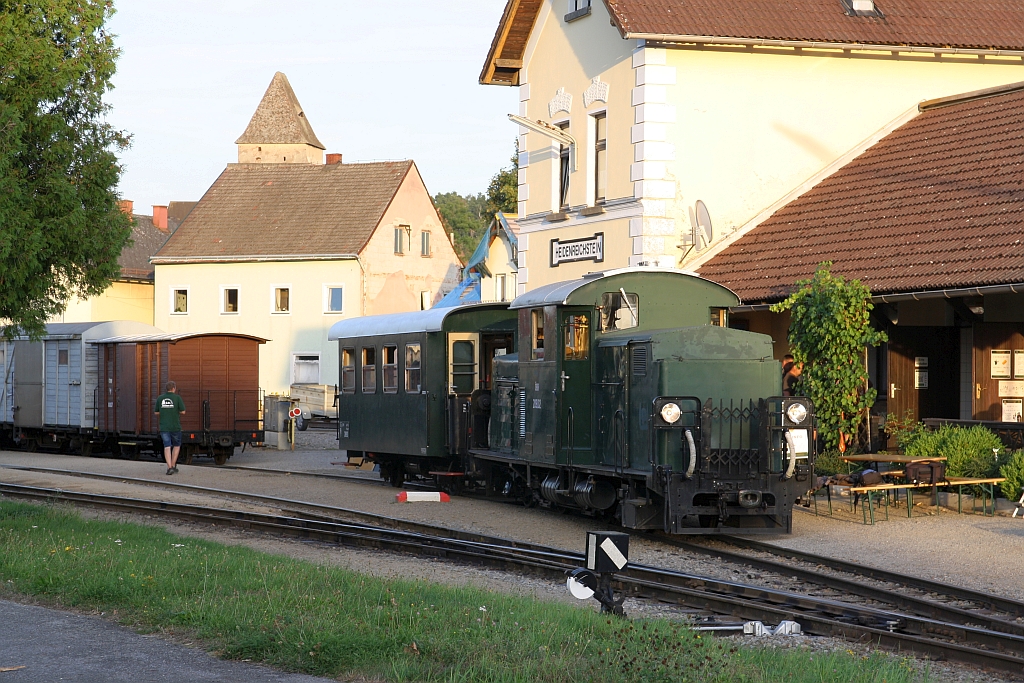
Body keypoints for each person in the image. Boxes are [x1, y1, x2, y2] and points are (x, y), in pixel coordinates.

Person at [155, 381, 186, 475]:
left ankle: (169, 467)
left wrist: (165, 411)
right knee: (176, 446)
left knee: (167, 446)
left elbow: (156, 412)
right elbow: (183, 411)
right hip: (175, 426)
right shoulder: (177, 398)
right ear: (174, 388)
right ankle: (173, 465)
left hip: (164, 426)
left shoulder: (160, 398)